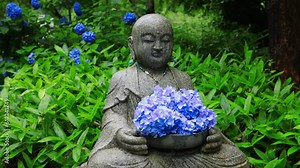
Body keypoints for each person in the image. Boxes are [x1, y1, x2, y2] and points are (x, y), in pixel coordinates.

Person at [87, 14, 249, 168]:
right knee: (102, 163)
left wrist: (211, 134)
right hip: (143, 153)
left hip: (185, 152)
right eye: (149, 40)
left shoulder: (182, 78)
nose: (158, 47)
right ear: (132, 44)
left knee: (234, 157)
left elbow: (197, 116)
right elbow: (113, 116)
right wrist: (121, 133)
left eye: (165, 41)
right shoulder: (122, 78)